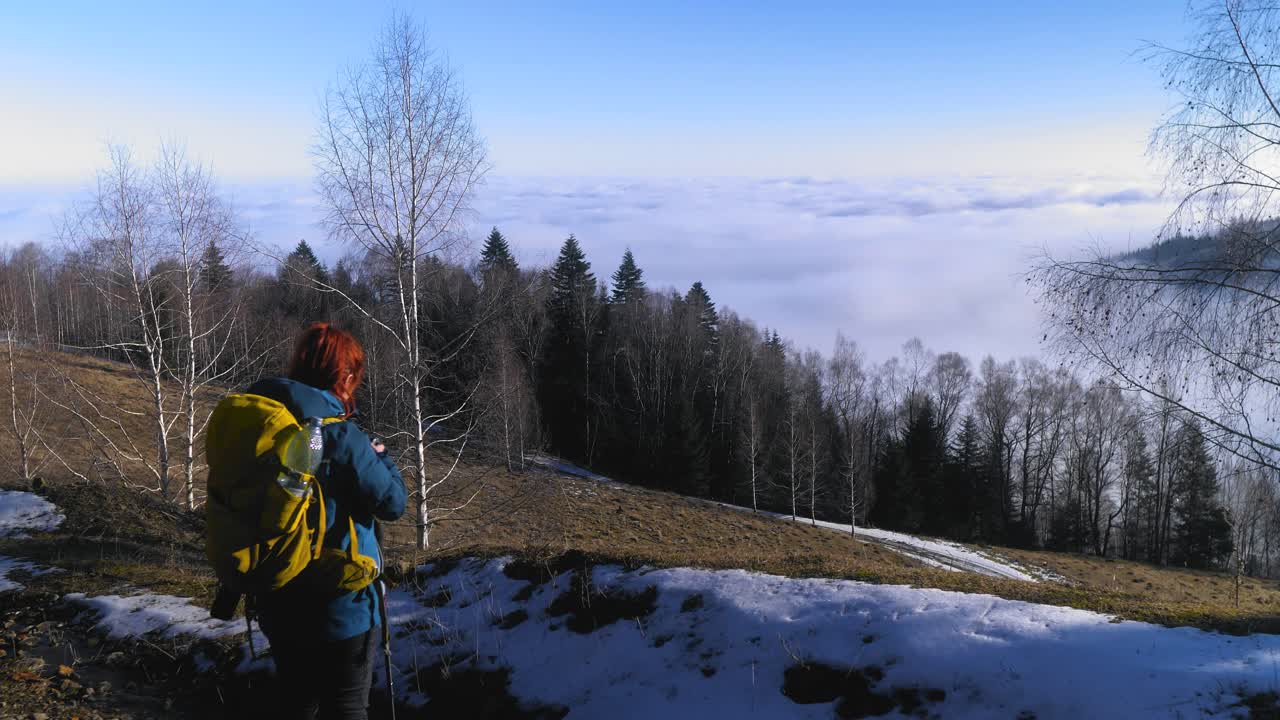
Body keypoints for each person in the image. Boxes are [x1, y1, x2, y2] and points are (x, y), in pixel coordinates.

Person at [248, 322, 406, 719]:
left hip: (277, 596)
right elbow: (393, 503)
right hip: (342, 605)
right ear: (346, 377)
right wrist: (382, 456)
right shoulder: (343, 437)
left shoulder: (264, 425)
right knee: (347, 707)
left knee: (297, 704)